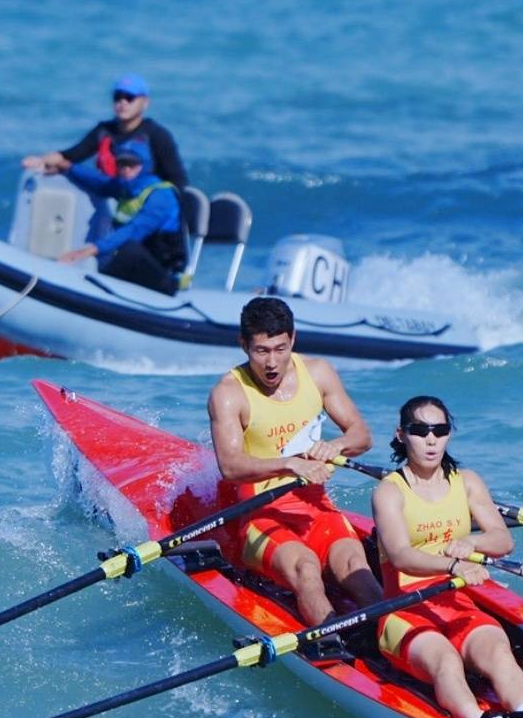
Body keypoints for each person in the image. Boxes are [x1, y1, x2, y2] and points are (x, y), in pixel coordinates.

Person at [208, 297, 382, 626]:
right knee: (307, 569)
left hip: (316, 509)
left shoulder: (318, 373)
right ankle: (330, 652)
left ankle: (396, 651)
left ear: (293, 339)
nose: (272, 362)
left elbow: (362, 436)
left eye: (280, 348)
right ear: (243, 344)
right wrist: (290, 464)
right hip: (263, 515)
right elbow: (230, 467)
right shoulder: (229, 393)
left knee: (358, 572)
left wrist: (337, 445)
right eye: (261, 351)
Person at [371, 395, 523, 718]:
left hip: (456, 602)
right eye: (419, 430)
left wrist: (471, 543)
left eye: (440, 429)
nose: (431, 439)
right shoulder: (389, 492)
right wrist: (451, 566)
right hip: (405, 612)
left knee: (498, 651)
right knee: (447, 660)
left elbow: (503, 540)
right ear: (401, 435)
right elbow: (401, 555)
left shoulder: (467, 482)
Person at [56, 140, 186, 294]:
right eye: (121, 164)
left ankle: (97, 294)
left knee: (129, 249)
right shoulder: (126, 187)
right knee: (124, 253)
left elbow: (135, 229)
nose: (126, 169)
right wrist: (67, 167)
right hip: (135, 267)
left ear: (146, 166)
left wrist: (92, 249)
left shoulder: (161, 195)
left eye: (132, 164)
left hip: (163, 275)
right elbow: (99, 182)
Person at [20, 73, 187, 189]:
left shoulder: (157, 135)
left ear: (145, 102)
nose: (122, 103)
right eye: (117, 97)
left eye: (129, 98)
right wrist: (41, 161)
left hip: (146, 205)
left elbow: (178, 181)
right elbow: (71, 155)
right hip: (112, 196)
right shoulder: (104, 131)